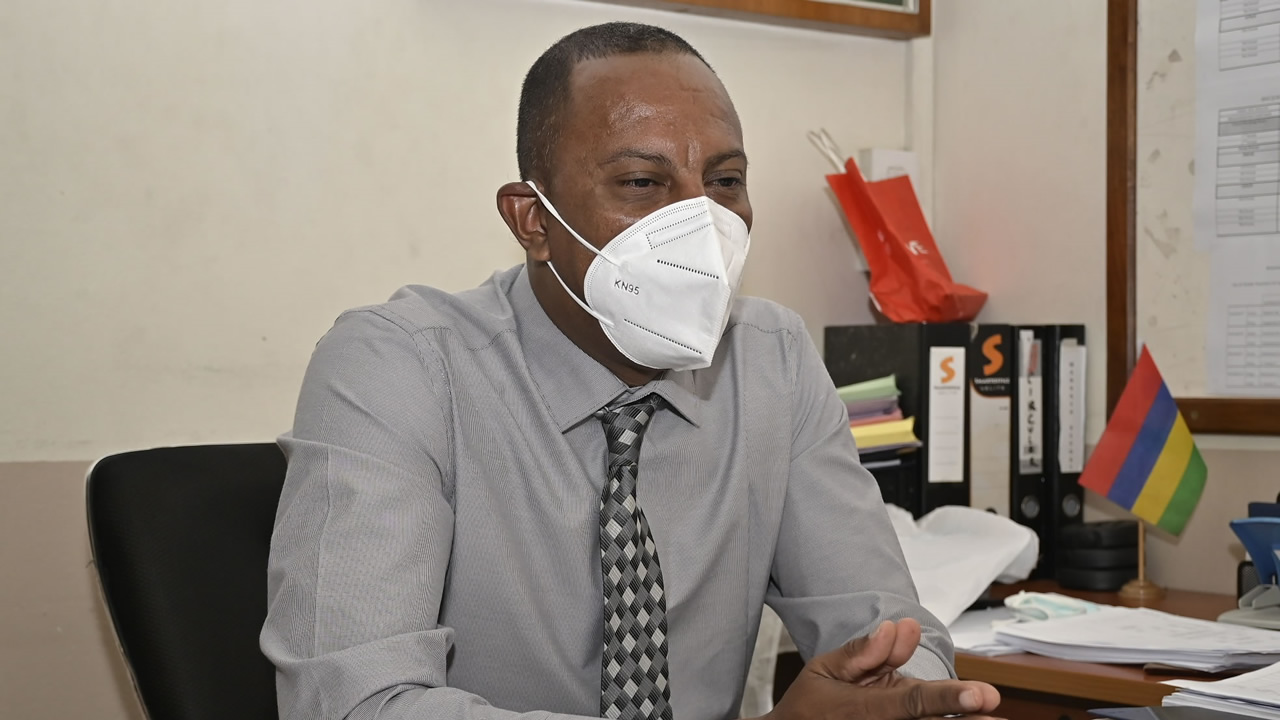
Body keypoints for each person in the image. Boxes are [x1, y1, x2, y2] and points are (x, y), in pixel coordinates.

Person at [261, 21, 1002, 720]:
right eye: (643, 184)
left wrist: (908, 695)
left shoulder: (770, 358)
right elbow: (355, 703)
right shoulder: (399, 367)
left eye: (724, 182)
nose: (699, 226)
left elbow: (887, 623)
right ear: (533, 220)